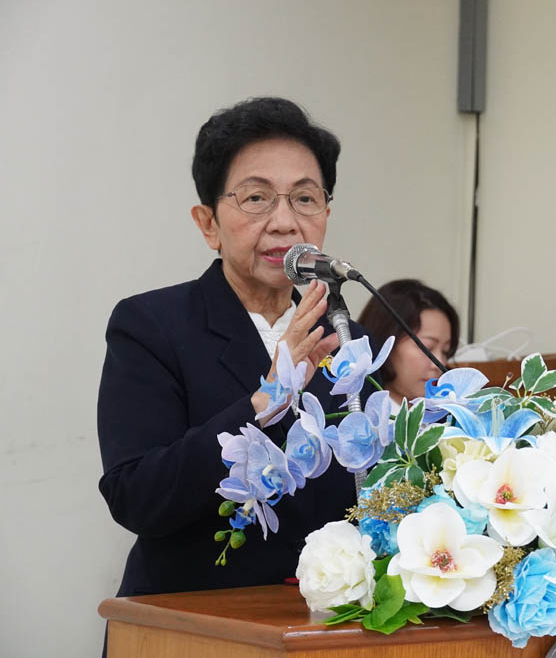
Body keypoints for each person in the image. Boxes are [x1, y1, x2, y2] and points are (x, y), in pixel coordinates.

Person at [97, 97, 370, 601]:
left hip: (322, 624)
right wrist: (268, 398)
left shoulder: (344, 336)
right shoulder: (151, 326)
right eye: (257, 198)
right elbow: (136, 497)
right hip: (191, 620)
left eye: (304, 199)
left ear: (325, 215)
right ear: (208, 224)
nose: (285, 222)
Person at [357, 279, 459, 406]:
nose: (439, 363)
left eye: (446, 352)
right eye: (427, 348)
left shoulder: (449, 411)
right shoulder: (354, 410)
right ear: (385, 341)